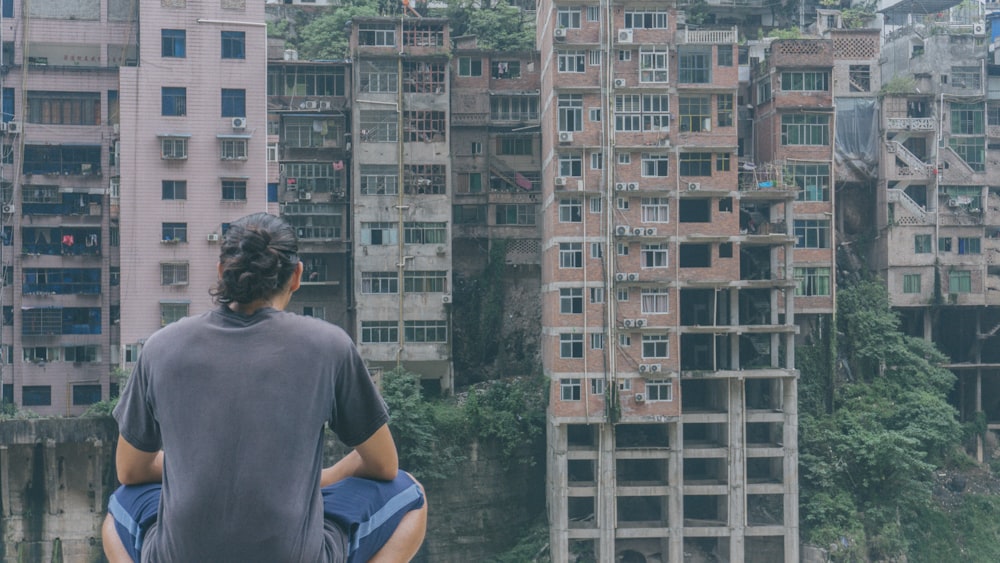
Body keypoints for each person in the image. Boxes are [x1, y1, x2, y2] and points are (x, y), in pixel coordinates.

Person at [102, 212, 426, 562]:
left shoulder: (161, 347)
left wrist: (191, 466)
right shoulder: (327, 345)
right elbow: (384, 466)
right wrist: (319, 479)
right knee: (409, 493)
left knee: (118, 506)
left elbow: (130, 471)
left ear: (221, 271)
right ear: (297, 275)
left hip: (181, 555)